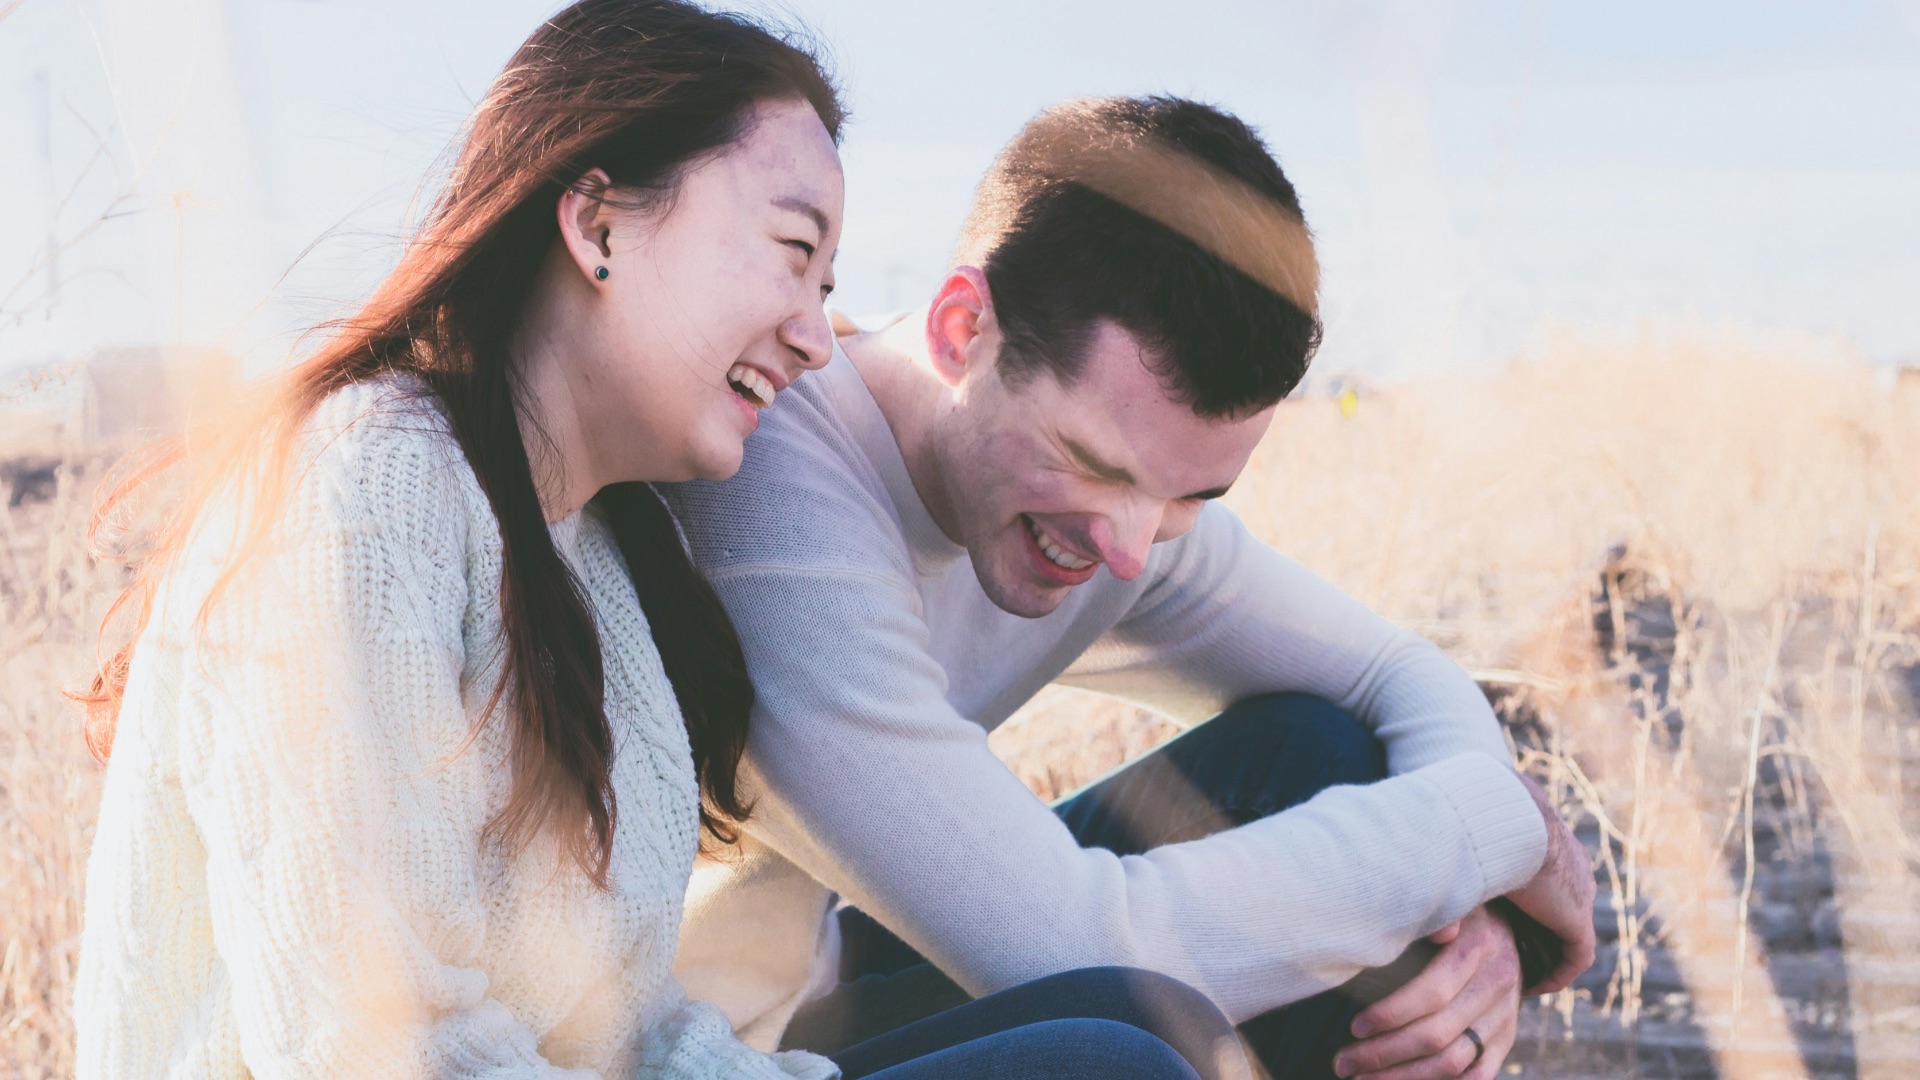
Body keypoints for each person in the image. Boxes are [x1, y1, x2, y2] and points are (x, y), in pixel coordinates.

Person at [71, 7, 1239, 1079]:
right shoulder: (369, 486)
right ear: (598, 225)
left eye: (828, 284)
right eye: (792, 253)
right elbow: (371, 1050)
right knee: (1112, 1066)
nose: (816, 337)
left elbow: (628, 1034)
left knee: (1145, 1019)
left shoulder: (592, 556)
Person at [662, 95, 1598, 1080]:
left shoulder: (1117, 508)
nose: (1129, 547)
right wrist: (1495, 833)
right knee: (1125, 1053)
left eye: (1191, 494)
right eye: (1095, 465)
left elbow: (1393, 672)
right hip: (698, 1048)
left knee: (1320, 750)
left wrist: (1470, 912)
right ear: (962, 329)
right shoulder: (775, 497)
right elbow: (1076, 949)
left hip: (816, 982)